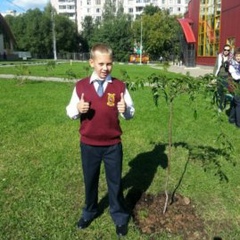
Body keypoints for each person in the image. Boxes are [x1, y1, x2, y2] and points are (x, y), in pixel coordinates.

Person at [66, 43, 135, 236]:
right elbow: (70, 110)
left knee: (115, 182)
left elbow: (130, 112)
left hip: (113, 145)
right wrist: (77, 110)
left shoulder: (119, 86)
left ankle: (119, 216)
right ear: (91, 63)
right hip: (89, 145)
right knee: (90, 180)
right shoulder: (81, 86)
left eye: (109, 64)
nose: (105, 68)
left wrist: (125, 110)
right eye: (101, 64)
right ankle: (89, 211)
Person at [213, 44, 233, 111]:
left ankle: (221, 105)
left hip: (227, 77)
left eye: (228, 50)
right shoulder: (219, 56)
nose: (226, 51)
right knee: (219, 91)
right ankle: (221, 102)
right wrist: (214, 77)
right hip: (219, 76)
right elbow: (216, 66)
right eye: (225, 50)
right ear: (223, 50)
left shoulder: (231, 58)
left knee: (224, 91)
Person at [228, 47, 240, 127]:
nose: (239, 58)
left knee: (234, 103)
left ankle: (231, 119)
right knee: (239, 104)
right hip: (235, 87)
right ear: (234, 56)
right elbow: (235, 77)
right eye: (237, 56)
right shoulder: (232, 65)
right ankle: (238, 123)